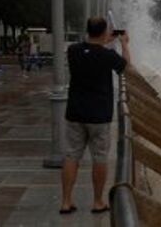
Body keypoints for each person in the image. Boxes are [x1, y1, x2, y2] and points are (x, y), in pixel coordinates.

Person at [60, 16, 130, 215]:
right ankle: (98, 201)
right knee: (99, 158)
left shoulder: (73, 51)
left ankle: (66, 201)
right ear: (105, 31)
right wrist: (123, 43)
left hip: (75, 113)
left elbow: (90, 48)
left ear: (88, 30)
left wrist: (102, 40)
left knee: (71, 156)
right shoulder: (107, 56)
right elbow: (125, 66)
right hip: (99, 115)